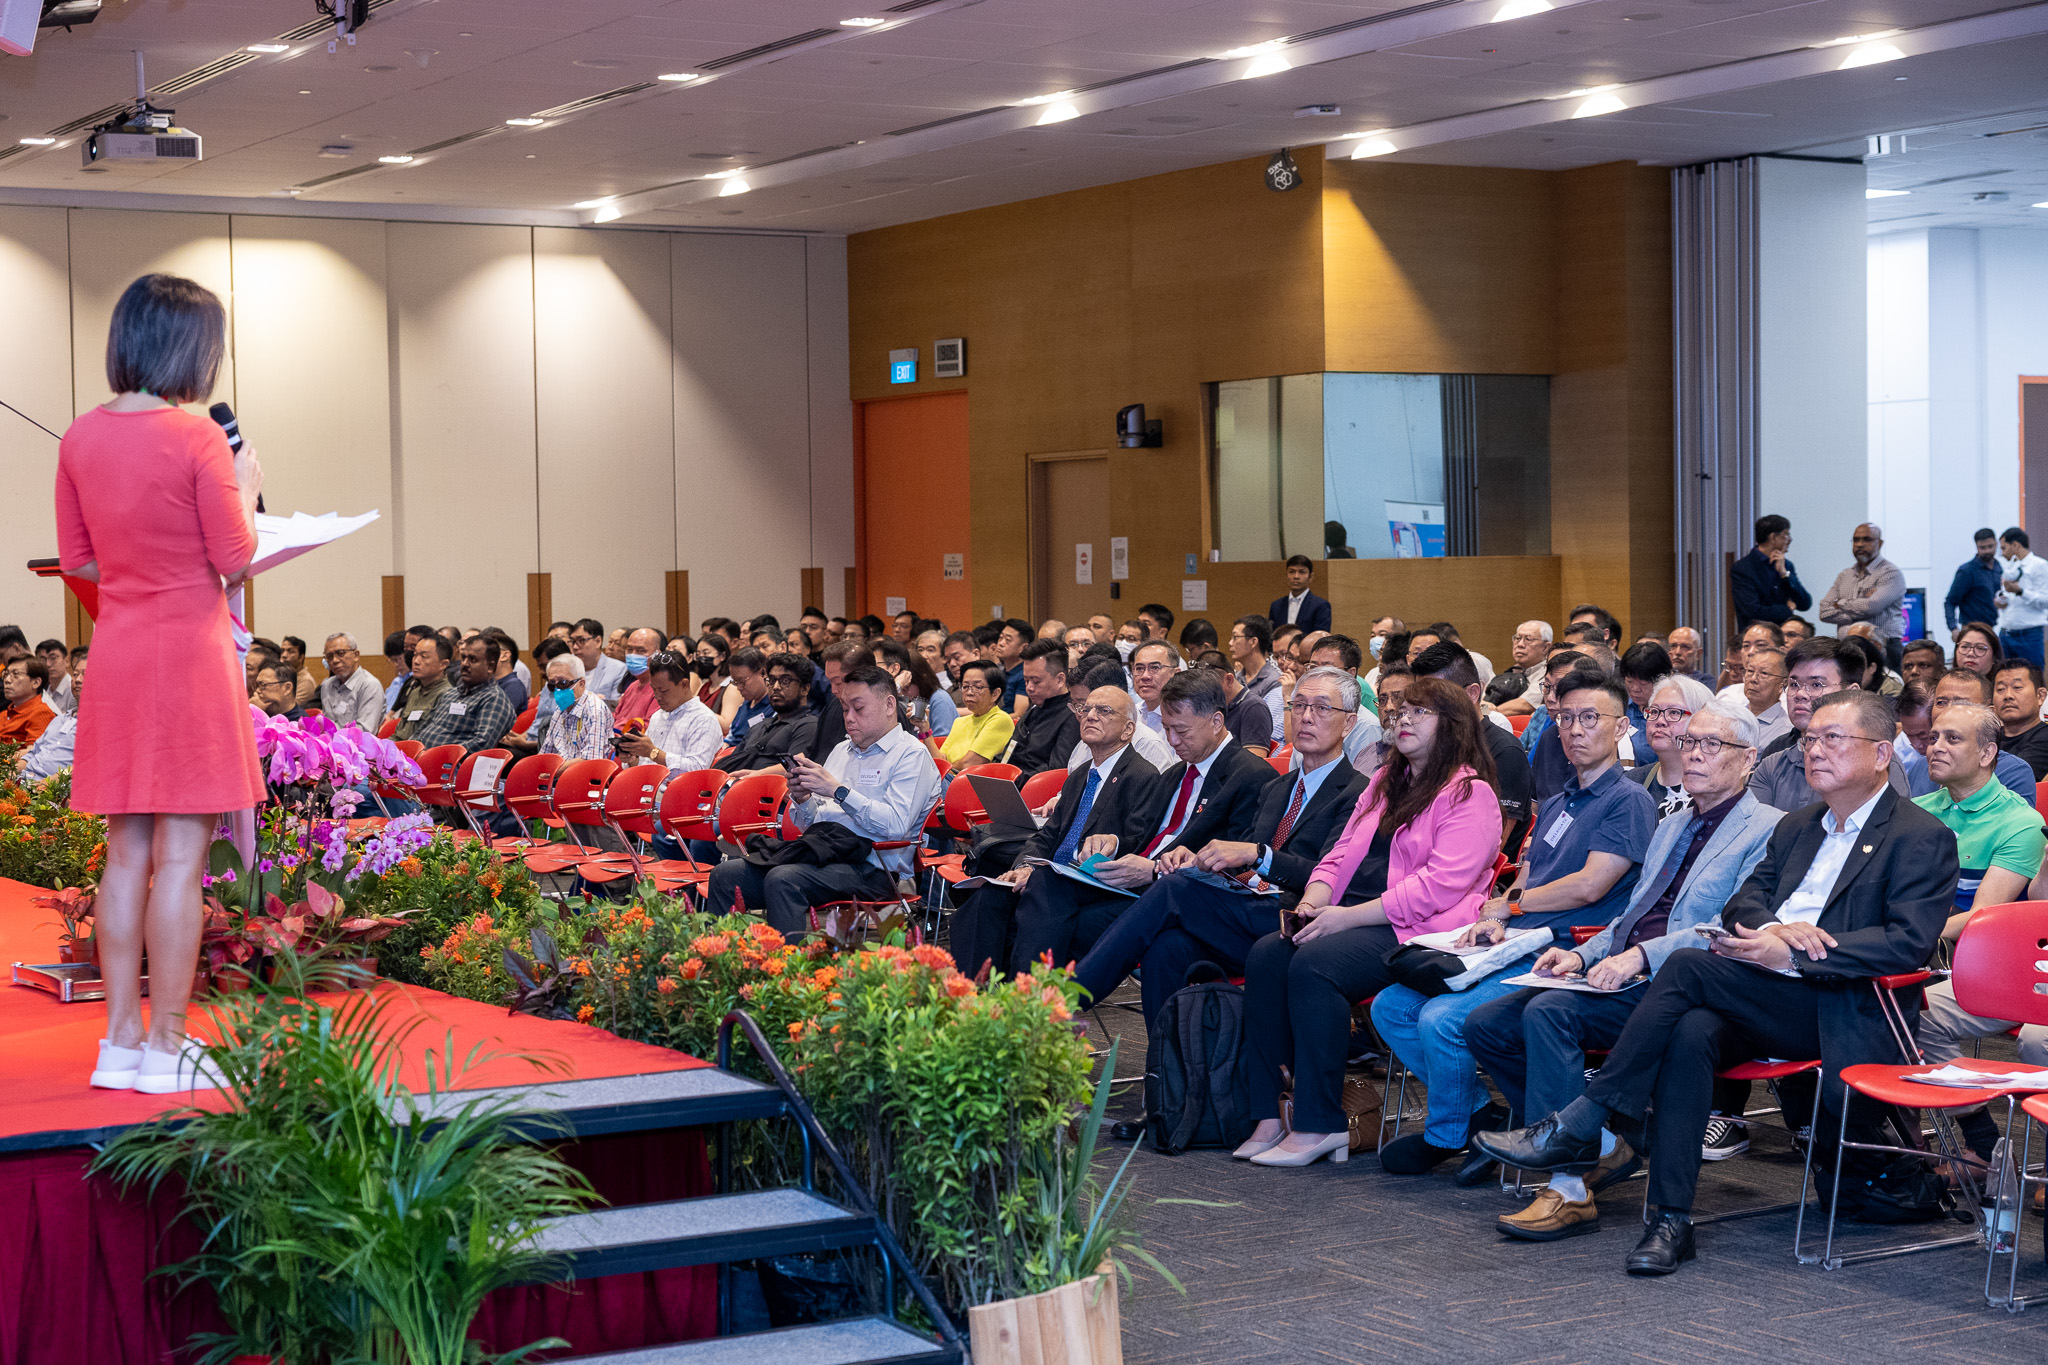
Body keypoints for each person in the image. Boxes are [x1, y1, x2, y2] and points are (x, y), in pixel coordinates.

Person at [1476, 691, 1958, 1277]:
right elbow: (1744, 902)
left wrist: (1800, 947)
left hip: (1839, 1003)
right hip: (1758, 989)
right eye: (1810, 739)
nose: (1814, 750)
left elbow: (1908, 942)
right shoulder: (1801, 826)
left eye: (1834, 739)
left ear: (1882, 753)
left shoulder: (1919, 834)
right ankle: (1670, 1220)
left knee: (1685, 968)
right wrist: (1771, 931)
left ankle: (1586, 1118)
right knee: (1691, 1031)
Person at [55, 272, 267, 1093]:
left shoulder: (80, 434)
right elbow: (236, 556)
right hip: (187, 652)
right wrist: (246, 490)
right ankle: (169, 1047)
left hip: (116, 648)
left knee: (124, 854)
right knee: (181, 855)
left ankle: (117, 1040)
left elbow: (78, 559)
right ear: (192, 348)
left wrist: (140, 566)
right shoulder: (198, 437)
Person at [1465, 701, 1782, 1238]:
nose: (1696, 755)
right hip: (1619, 967)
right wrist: (1583, 954)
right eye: (1690, 743)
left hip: (1682, 984)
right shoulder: (1674, 821)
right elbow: (1633, 910)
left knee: (1550, 1014)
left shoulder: (1768, 830)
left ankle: (1565, 1187)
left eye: (1713, 745)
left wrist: (1636, 957)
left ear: (1749, 759)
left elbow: (1724, 929)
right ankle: (1607, 1142)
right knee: (1486, 1026)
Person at [1371, 672, 1657, 1176]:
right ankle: (1481, 1115)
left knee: (1442, 1019)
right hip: (1515, 940)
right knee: (1393, 1007)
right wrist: (1496, 913)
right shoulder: (1557, 800)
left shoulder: (1628, 800)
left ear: (1620, 729)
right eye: (1565, 718)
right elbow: (1526, 875)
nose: (1574, 729)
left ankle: (1449, 1134)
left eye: (1590, 718)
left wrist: (1511, 907)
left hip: (1564, 949)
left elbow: (1591, 885)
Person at [1234, 678, 1503, 1167]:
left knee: (1315, 965)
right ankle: (1271, 1113)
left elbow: (1437, 888)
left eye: (1419, 713)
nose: (1403, 719)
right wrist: (1314, 903)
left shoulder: (1471, 794)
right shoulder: (1384, 781)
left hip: (1419, 929)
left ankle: (1322, 1123)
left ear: (1453, 726)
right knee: (1269, 953)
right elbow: (1338, 855)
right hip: (1353, 915)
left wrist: (1344, 919)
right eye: (1400, 712)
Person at [1072, 667, 1369, 1025]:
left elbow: (1332, 876)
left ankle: (1065, 1004)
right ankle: (1169, 1072)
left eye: (1321, 708)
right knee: (1166, 949)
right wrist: (1199, 860)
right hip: (1246, 909)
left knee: (1174, 889)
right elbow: (1242, 861)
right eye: (1298, 705)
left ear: (1349, 723)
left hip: (1298, 920)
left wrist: (1258, 856)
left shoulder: (1360, 793)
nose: (1306, 717)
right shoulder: (1278, 788)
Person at [1006, 668, 1276, 975]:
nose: (1172, 741)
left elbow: (1236, 862)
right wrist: (1115, 842)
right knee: (1042, 882)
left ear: (1216, 721)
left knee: (1041, 917)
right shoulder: (1176, 773)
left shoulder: (1251, 776)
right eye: (1167, 729)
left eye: (1182, 731)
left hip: (1171, 894)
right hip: (1127, 881)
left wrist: (1154, 871)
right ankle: (1031, 1001)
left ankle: (1033, 1002)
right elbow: (1145, 836)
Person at [705, 664, 942, 934]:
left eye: (858, 708)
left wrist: (838, 791)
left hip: (876, 869)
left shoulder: (911, 755)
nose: (849, 718)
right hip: (825, 853)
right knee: (725, 875)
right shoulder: (843, 750)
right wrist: (803, 798)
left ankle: (788, 971)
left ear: (889, 705)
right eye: (844, 709)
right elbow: (814, 823)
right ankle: (721, 963)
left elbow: (896, 827)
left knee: (784, 879)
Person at [1910, 707, 2048, 1163]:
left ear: (1988, 753)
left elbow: (1990, 914)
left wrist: (1913, 938)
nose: (1936, 747)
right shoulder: (1917, 813)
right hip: (1987, 965)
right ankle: (1984, 1142)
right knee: (1916, 1012)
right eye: (1934, 737)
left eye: (1952, 739)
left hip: (1990, 958)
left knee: (2036, 1038)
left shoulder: (2020, 822)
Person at [949, 685, 1162, 979]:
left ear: (1128, 729)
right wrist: (1023, 867)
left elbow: (1138, 843)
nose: (1090, 716)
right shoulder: (1081, 774)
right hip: (1054, 877)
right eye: (1086, 709)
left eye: (1104, 711)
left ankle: (1027, 1002)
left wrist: (1105, 847)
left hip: (1094, 882)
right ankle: (971, 996)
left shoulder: (1143, 775)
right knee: (988, 896)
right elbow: (1048, 836)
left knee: (1042, 888)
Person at [1747, 638, 1907, 808]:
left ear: (1851, 692)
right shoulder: (1773, 765)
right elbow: (1754, 830)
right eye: (1794, 684)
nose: (1800, 694)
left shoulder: (1875, 760)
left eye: (1816, 684)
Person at [1411, 643, 1532, 851]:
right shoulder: (1428, 744)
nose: (1425, 708)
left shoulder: (1505, 752)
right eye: (1420, 699)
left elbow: (1492, 845)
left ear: (1472, 693)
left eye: (1436, 697)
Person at [1898, 673, 2037, 804]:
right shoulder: (1921, 766)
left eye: (1962, 703)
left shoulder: (2013, 771)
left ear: (1991, 713)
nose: (1949, 710)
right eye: (1941, 702)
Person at [614, 650, 723, 773]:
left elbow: (697, 770)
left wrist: (653, 752)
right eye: (654, 689)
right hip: (649, 788)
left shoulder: (703, 719)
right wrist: (632, 758)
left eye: (663, 691)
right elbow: (647, 764)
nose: (657, 696)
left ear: (684, 684)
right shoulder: (657, 716)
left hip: (680, 790)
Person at [1626, 674, 1716, 817]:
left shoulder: (1716, 791)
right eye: (1654, 711)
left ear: (1701, 720)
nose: (1660, 721)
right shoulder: (1631, 783)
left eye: (1674, 712)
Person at [411, 634, 516, 755]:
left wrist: (432, 755)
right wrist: (409, 751)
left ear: (490, 667)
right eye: (463, 658)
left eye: (473, 659)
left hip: (448, 768)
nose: (465, 664)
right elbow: (423, 729)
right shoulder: (450, 694)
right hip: (418, 762)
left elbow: (481, 744)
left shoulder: (494, 699)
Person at [1818, 523, 1906, 663]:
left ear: (1880, 543)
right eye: (1856, 540)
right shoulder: (1845, 575)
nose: (1860, 544)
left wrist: (1839, 604)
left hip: (1883, 649)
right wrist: (1858, 610)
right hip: (1847, 649)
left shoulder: (1890, 573)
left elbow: (1871, 607)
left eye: (1867, 539)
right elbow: (1823, 611)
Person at [718, 654, 820, 773]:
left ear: (805, 689)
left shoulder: (808, 725)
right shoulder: (759, 726)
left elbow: (796, 767)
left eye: (785, 681)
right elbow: (733, 762)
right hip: (733, 785)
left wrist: (756, 775)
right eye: (772, 681)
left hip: (767, 788)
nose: (776, 687)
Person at [1008, 638, 1080, 775]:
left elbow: (1056, 771)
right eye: (1026, 680)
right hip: (1011, 783)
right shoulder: (1033, 710)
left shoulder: (1073, 715)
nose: (1029, 688)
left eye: (1036, 681)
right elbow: (1008, 755)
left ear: (1060, 679)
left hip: (1038, 790)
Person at [1730, 513, 1811, 628]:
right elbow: (1752, 610)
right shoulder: (1743, 568)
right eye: (1786, 534)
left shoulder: (1786, 565)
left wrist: (1785, 574)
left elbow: (1805, 603)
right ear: (1773, 537)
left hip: (1783, 636)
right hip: (1756, 635)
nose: (1790, 539)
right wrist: (1787, 609)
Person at [16, 654, 83, 781]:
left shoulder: (99, 726)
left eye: (85, 674)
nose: (78, 679)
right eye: (75, 674)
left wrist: (46, 784)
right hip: (25, 781)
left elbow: (85, 767)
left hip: (52, 791)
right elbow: (34, 752)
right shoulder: (59, 719)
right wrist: (12, 772)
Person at [535, 653, 614, 762]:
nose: (557, 689)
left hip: (585, 776)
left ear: (581, 684)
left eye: (563, 683)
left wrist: (552, 771)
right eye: (552, 684)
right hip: (560, 773)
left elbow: (590, 761)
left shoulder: (594, 710)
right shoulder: (560, 710)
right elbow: (546, 752)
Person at [938, 661, 1015, 770]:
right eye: (965, 686)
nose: (969, 692)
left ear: (995, 694)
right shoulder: (959, 722)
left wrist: (944, 771)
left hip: (971, 783)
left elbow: (968, 764)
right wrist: (925, 731)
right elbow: (941, 760)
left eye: (977, 687)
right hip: (948, 780)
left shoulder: (1000, 719)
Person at [1997, 527, 2048, 667]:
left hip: (2029, 635)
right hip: (2006, 633)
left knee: (2032, 678)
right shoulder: (2010, 568)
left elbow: (2046, 600)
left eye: (2004, 548)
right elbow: (2008, 596)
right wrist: (2001, 601)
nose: (2002, 553)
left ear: (2015, 545)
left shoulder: (2040, 566)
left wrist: (2021, 592)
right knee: (2005, 677)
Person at [1991, 657, 2048, 779]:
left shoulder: (2045, 736)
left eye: (2017, 687)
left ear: (2040, 696)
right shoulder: (1989, 737)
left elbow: (2012, 777)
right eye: (2000, 689)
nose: (2008, 696)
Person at [317, 633, 386, 732]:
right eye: (329, 656)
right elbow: (327, 724)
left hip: (357, 745)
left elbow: (364, 732)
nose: (335, 660)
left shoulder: (369, 686)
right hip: (330, 744)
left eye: (341, 653)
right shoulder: (327, 686)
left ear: (356, 655)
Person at [393, 636, 454, 742]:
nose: (416, 661)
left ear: (443, 664)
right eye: (415, 655)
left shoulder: (447, 695)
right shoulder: (415, 692)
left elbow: (432, 740)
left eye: (424, 656)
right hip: (400, 750)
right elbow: (400, 734)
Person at [1946, 528, 2004, 641]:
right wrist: (1953, 628)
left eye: (1990, 546)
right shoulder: (1967, 571)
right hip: (1970, 630)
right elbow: (1950, 601)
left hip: (1991, 628)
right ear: (1976, 547)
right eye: (1982, 547)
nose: (1987, 551)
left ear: (1996, 544)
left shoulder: (1998, 567)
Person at [1735, 644, 1791, 750]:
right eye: (1750, 671)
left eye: (1764, 673)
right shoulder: (1731, 718)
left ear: (1783, 684)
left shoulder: (1786, 731)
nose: (1753, 679)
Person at [609, 627, 667, 728]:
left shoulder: (661, 688)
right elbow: (616, 718)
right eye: (629, 650)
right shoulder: (632, 686)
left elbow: (649, 727)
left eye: (640, 651)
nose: (633, 655)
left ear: (656, 655)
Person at [0, 657, 57, 747]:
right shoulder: (3, 714)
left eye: (15, 674)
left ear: (36, 683)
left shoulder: (41, 713)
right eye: (6, 674)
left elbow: (33, 753)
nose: (7, 680)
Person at [567, 618, 626, 704]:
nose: (575, 647)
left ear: (598, 641)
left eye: (581, 640)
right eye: (573, 641)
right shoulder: (565, 667)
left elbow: (616, 707)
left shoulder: (619, 669)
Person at [1270, 554, 1331, 633]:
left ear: (1310, 577)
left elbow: (1320, 639)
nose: (1296, 576)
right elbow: (1271, 636)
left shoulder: (1321, 605)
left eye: (1302, 572)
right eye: (1291, 572)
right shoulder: (1276, 606)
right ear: (1286, 575)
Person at [1128, 640, 1176, 736]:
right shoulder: (1130, 715)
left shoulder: (1187, 718)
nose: (1145, 676)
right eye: (1139, 668)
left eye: (1154, 667)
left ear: (1175, 674)